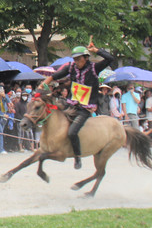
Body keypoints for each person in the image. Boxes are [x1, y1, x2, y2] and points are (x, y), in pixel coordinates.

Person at [41, 40, 115, 169]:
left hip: (85, 107)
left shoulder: (94, 68)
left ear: (86, 58)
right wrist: (43, 85)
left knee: (72, 132)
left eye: (79, 59)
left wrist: (96, 50)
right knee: (52, 111)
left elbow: (110, 58)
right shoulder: (71, 67)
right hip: (71, 103)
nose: (76, 61)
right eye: (74, 59)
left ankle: (77, 157)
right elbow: (56, 76)